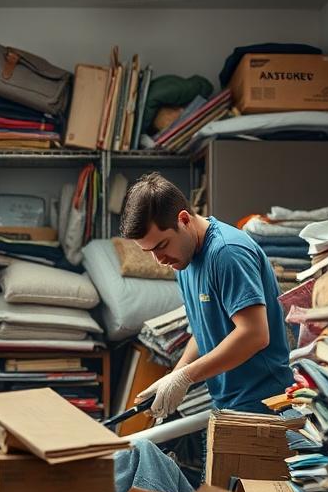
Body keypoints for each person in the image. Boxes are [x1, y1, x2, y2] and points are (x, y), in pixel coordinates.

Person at [119, 173, 292, 418]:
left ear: (184, 220)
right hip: (228, 403)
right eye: (149, 251)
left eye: (161, 245)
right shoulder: (182, 259)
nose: (159, 260)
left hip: (264, 403)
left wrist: (186, 376)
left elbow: (255, 334)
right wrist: (174, 377)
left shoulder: (227, 253)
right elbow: (205, 332)